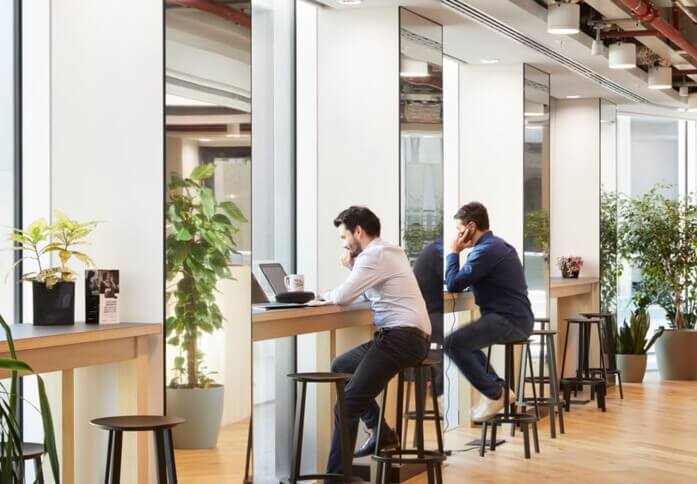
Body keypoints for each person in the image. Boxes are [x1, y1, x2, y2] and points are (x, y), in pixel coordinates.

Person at [323, 206, 431, 479]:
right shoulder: (389, 251)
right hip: (405, 337)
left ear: (358, 231)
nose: (344, 243)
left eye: (344, 236)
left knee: (346, 405)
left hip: (401, 338)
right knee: (341, 365)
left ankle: (337, 478)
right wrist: (354, 267)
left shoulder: (373, 256)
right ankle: (381, 433)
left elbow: (342, 297)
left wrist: (323, 294)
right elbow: (374, 295)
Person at [443, 202, 533, 423]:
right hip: (515, 319)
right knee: (464, 342)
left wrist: (453, 252)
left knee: (453, 344)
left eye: (459, 229)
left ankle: (495, 393)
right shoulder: (496, 246)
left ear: (471, 227)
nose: (457, 235)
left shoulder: (486, 251)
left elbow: (453, 283)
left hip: (509, 321)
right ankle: (497, 391)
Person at [412, 239, 444, 397]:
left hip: (430, 313)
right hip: (426, 316)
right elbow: (453, 282)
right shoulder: (439, 252)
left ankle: (442, 389)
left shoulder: (436, 249)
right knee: (461, 338)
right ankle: (440, 390)